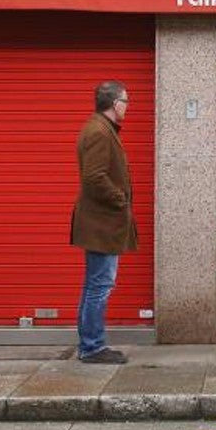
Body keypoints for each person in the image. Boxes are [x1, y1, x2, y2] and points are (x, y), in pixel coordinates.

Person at [71, 81, 137, 364]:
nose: (128, 106)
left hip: (100, 222)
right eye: (126, 100)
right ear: (114, 103)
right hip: (102, 223)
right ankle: (93, 346)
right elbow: (94, 177)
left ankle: (90, 343)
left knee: (94, 285)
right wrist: (120, 199)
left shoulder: (99, 128)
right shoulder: (99, 132)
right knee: (100, 286)